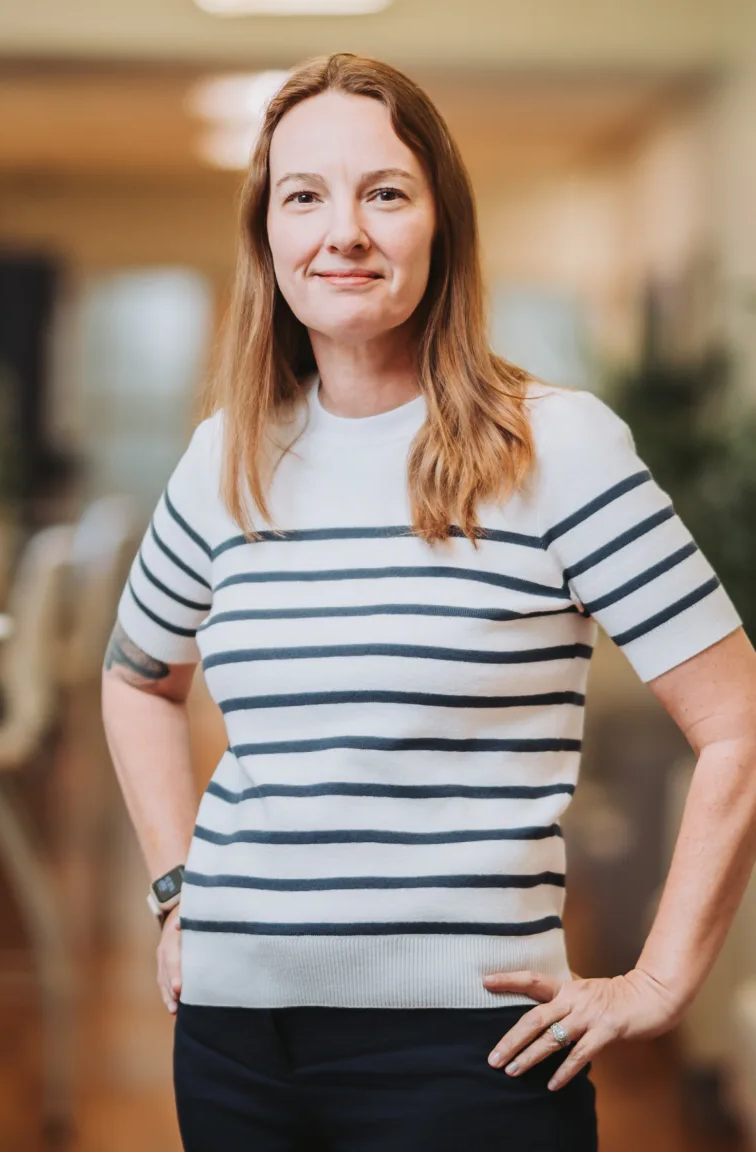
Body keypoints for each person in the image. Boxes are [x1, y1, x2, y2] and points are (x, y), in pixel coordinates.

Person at [101, 52, 756, 1152]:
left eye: (385, 193)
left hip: (475, 1048)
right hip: (232, 1037)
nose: (342, 231)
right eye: (304, 196)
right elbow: (136, 681)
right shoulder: (228, 457)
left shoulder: (557, 446)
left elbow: (738, 723)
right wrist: (178, 890)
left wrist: (659, 981)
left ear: (441, 223)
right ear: (267, 233)